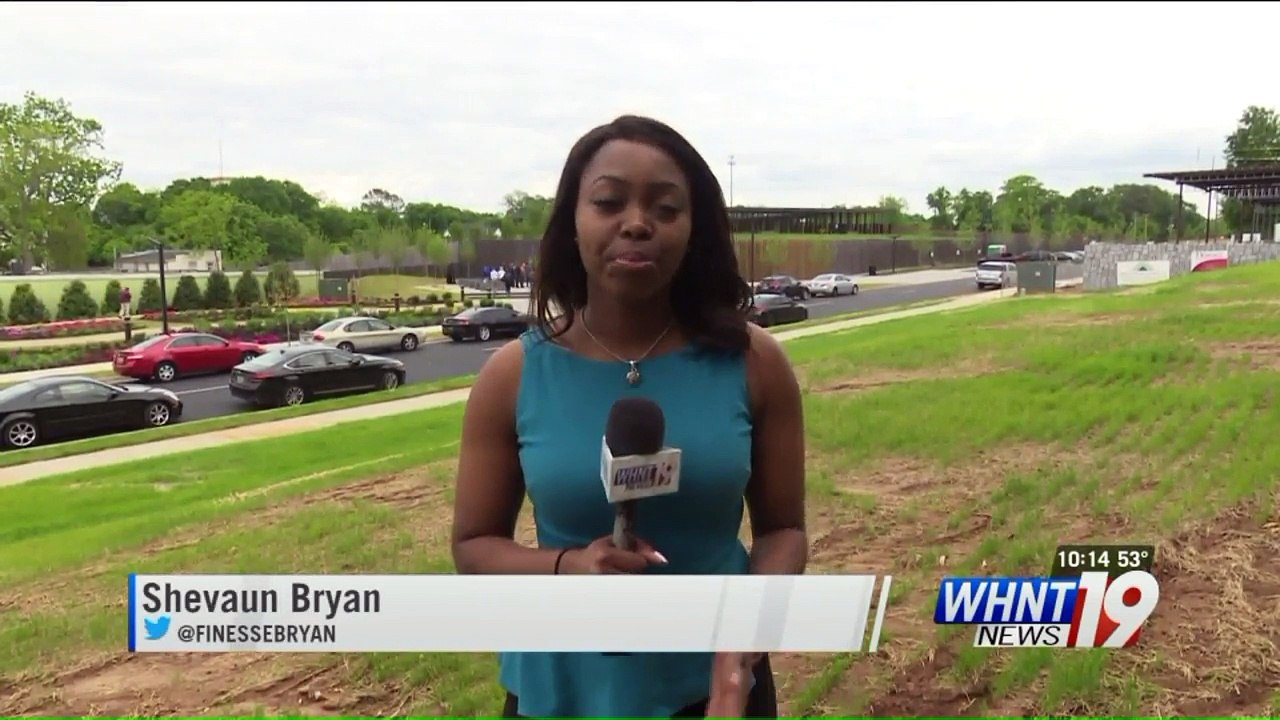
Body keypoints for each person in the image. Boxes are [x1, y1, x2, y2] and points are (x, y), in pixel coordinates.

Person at [450, 115, 808, 718]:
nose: (637, 223)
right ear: (573, 223)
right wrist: (566, 567)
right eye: (609, 201)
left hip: (715, 690)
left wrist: (744, 641)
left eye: (665, 208)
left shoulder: (755, 363)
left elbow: (784, 532)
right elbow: (473, 547)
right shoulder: (511, 376)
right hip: (560, 694)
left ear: (693, 231)